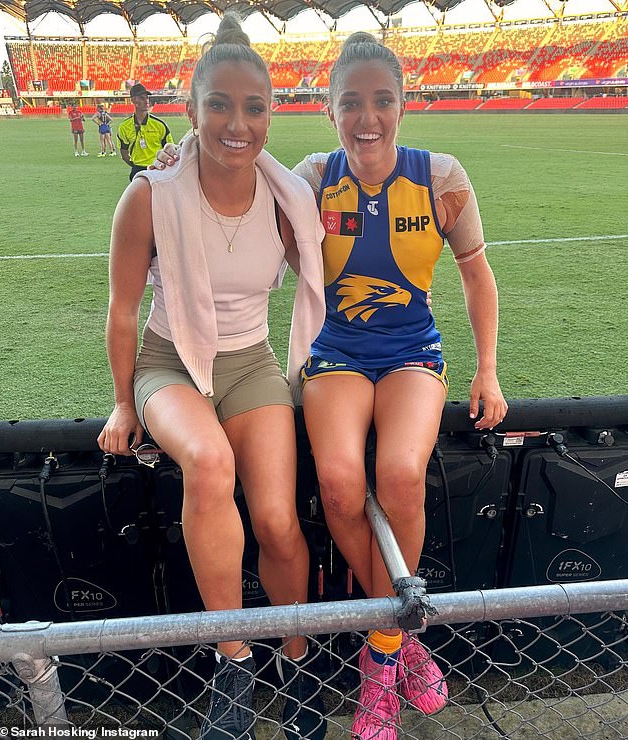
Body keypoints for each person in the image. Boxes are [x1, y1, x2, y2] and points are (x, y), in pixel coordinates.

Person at [152, 32, 508, 740]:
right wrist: (178, 156)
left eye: (382, 101)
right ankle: (400, 634)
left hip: (412, 355)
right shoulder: (310, 177)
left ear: (404, 106)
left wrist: (488, 367)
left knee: (401, 474)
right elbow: (234, 168)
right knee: (342, 485)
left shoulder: (440, 177)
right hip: (335, 354)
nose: (367, 117)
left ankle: (383, 656)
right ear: (329, 109)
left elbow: (476, 274)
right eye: (352, 103)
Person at [98, 15, 327, 740]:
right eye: (220, 105)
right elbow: (124, 310)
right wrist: (119, 403)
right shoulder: (152, 195)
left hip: (251, 363)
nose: (238, 123)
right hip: (170, 363)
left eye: (254, 107)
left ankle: (297, 665)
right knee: (206, 460)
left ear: (271, 112)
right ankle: (233, 660)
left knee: (278, 520)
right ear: (192, 108)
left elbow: (336, 272)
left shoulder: (288, 196)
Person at [117, 83, 173, 180]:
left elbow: (170, 148)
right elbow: (124, 153)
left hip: (157, 168)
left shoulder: (159, 125)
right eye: (142, 98)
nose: (146, 101)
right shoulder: (124, 127)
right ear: (133, 100)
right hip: (137, 170)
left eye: (147, 98)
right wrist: (135, 165)